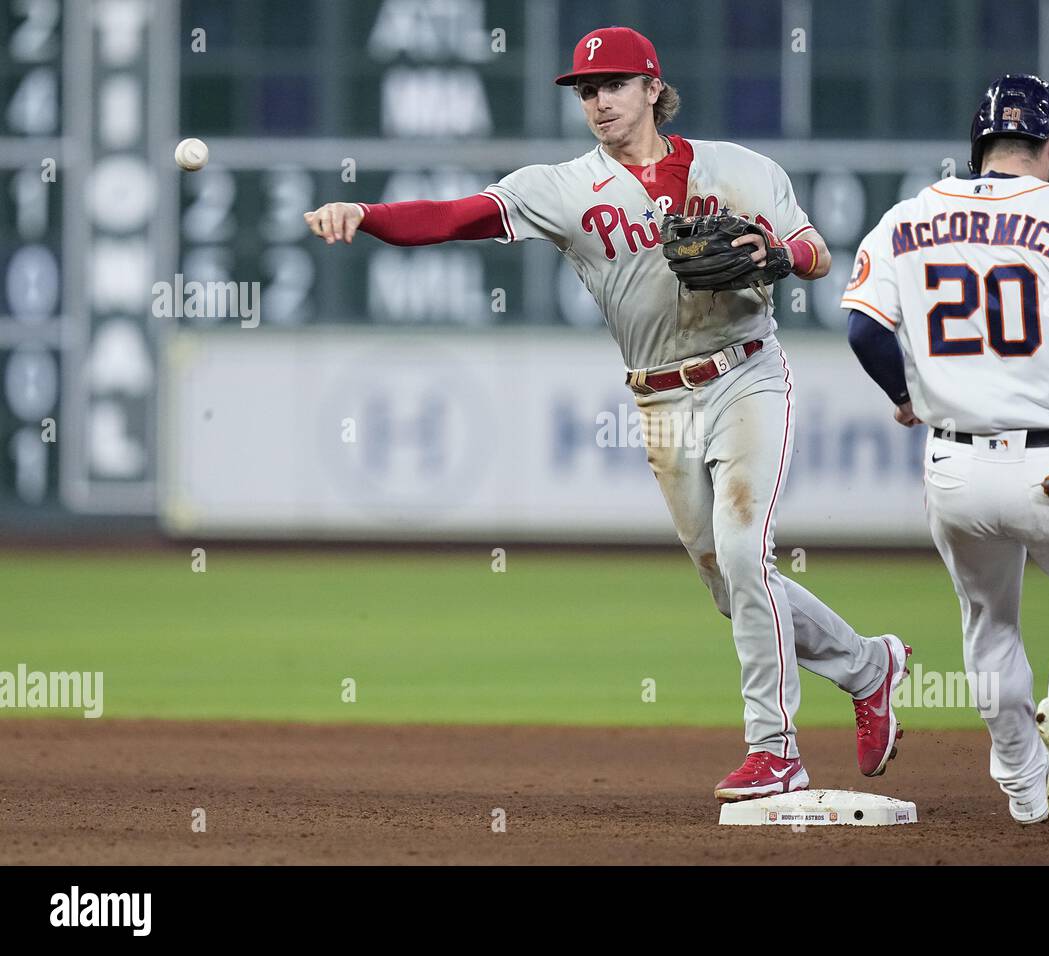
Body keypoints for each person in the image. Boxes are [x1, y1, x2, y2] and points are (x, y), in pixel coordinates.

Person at [305, 26, 910, 802]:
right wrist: (367, 212)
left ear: (653, 88)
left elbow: (817, 250)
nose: (598, 101)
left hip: (746, 375)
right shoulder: (560, 188)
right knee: (729, 583)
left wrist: (773, 257)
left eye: (614, 85)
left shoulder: (737, 168)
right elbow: (454, 217)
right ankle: (868, 666)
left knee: (744, 548)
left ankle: (775, 750)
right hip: (658, 396)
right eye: (587, 90)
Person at [842, 74, 1049, 832]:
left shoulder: (910, 216)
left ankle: (1021, 789)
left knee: (989, 618)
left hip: (953, 469)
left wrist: (906, 395)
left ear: (977, 144)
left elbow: (862, 329)